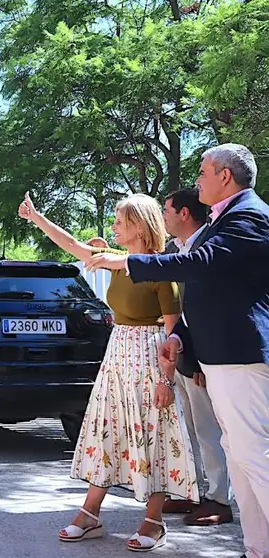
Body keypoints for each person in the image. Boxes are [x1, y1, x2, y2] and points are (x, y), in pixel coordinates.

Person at [88, 143, 269, 558]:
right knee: (239, 455)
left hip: (240, 356)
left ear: (226, 176)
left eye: (203, 172)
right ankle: (258, 548)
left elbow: (200, 264)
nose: (198, 180)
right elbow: (214, 291)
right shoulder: (228, 219)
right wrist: (181, 337)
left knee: (254, 453)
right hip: (222, 354)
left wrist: (123, 262)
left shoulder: (249, 217)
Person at [19, 191, 198, 551]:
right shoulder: (118, 262)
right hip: (117, 357)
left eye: (120, 221)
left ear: (138, 226)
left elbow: (173, 331)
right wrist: (36, 218)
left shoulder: (163, 271)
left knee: (154, 436)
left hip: (150, 359)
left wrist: (165, 379)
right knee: (106, 432)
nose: (114, 227)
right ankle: (90, 514)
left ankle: (154, 521)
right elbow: (73, 246)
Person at [159, 188, 234, 526]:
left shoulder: (209, 247)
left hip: (203, 356)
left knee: (208, 430)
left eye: (167, 210)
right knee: (189, 428)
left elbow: (212, 310)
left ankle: (219, 498)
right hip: (181, 352)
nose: (164, 217)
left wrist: (203, 361)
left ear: (184, 214)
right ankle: (194, 493)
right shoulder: (177, 249)